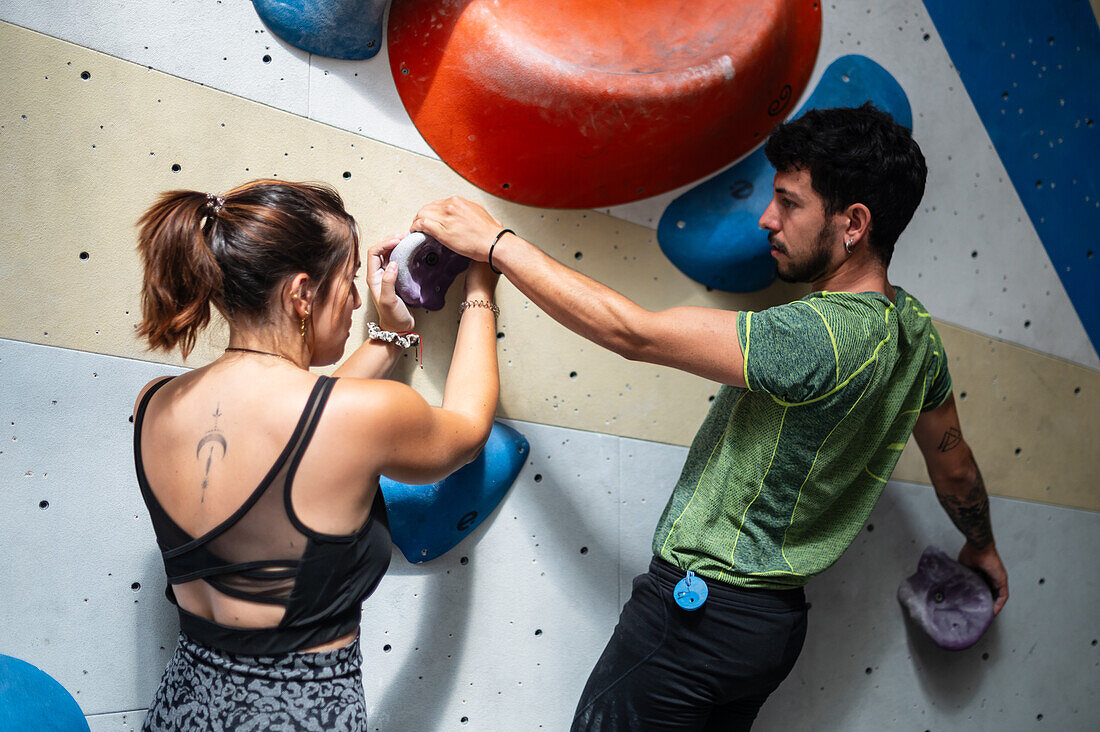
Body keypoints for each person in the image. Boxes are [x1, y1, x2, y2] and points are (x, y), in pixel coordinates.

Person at [412, 103, 1009, 730]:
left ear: (853, 222)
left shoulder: (818, 337)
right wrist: (982, 544)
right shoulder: (915, 334)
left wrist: (495, 244)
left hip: (699, 618)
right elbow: (957, 468)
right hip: (770, 630)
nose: (766, 219)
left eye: (789, 201)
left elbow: (633, 334)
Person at [132, 179, 500, 730]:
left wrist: (390, 334)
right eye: (348, 281)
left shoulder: (155, 402)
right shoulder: (357, 417)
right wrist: (482, 280)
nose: (355, 299)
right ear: (301, 294)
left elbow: (308, 420)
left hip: (183, 706)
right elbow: (467, 432)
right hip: (299, 716)